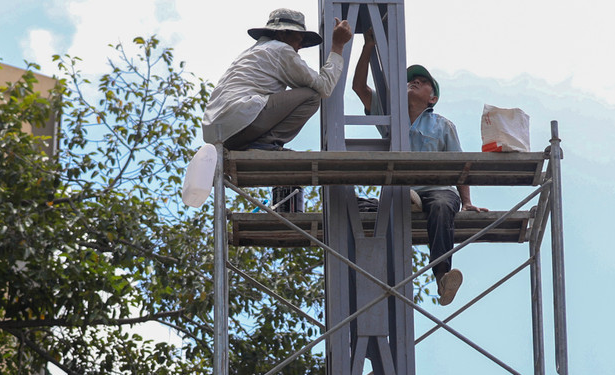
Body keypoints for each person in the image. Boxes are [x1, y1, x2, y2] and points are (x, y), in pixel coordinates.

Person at [352, 32, 485, 306]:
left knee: (441, 205)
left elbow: (459, 166)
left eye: (422, 82)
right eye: (412, 80)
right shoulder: (390, 117)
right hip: (400, 191)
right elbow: (359, 87)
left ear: (432, 98)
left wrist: (468, 202)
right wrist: (367, 47)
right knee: (352, 205)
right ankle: (408, 204)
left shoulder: (442, 126)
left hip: (436, 191)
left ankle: (442, 276)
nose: (414, 82)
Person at [203, 9, 354, 152]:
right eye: (299, 39)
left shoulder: (253, 52)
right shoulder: (280, 49)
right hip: (241, 121)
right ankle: (266, 143)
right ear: (282, 34)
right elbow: (324, 87)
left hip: (218, 136)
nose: (300, 46)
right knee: (312, 96)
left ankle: (258, 143)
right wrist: (338, 46)